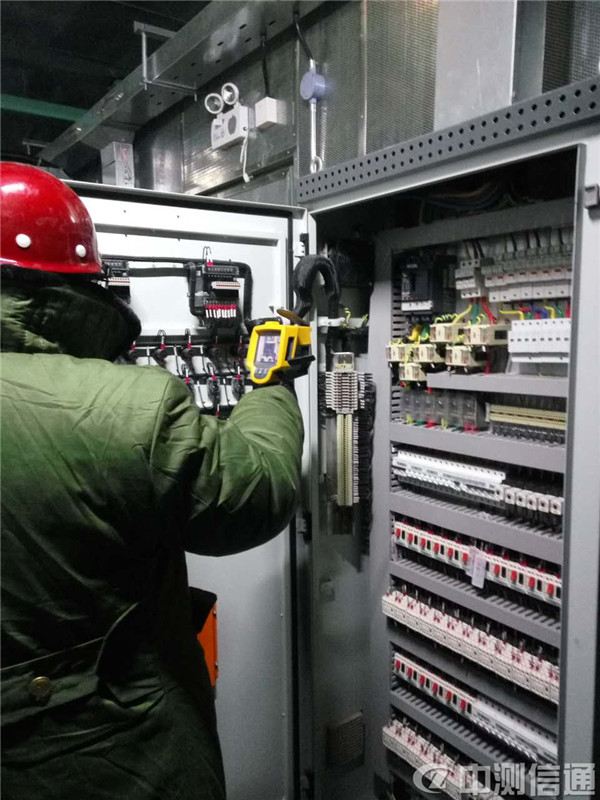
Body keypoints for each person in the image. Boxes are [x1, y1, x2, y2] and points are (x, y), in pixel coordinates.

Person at [0, 162, 304, 800]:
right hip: (122, 758)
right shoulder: (128, 407)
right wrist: (271, 385)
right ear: (77, 283)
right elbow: (257, 493)